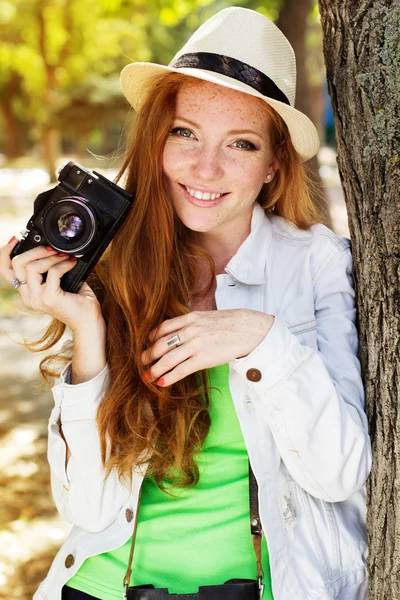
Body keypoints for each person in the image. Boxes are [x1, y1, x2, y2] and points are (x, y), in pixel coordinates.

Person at [0, 7, 371, 600]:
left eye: (241, 144)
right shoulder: (115, 257)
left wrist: (261, 340)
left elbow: (339, 472)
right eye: (185, 132)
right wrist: (87, 332)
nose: (205, 167)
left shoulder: (316, 263)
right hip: (101, 586)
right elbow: (88, 507)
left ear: (274, 163)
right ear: (158, 138)